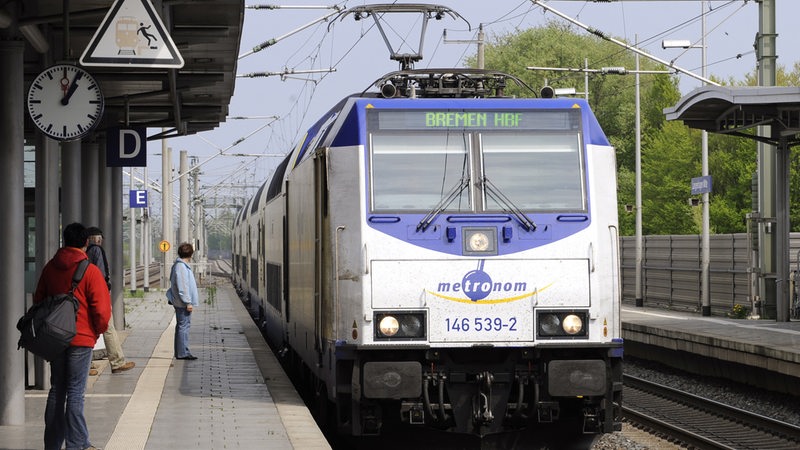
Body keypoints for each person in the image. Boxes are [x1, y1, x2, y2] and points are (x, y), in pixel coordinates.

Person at [33, 222, 111, 450]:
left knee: (57, 389)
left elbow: (39, 301)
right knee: (76, 393)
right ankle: (77, 444)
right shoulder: (90, 270)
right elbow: (102, 310)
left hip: (55, 340)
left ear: (64, 240)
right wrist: (96, 331)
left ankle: (53, 444)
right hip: (82, 338)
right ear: (85, 243)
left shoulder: (50, 268)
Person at [85, 227, 135, 375]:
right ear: (97, 239)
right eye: (100, 238)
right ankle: (117, 362)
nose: (101, 241)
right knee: (108, 327)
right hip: (98, 296)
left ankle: (87, 364)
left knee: (88, 329)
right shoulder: (96, 251)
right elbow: (99, 274)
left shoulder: (85, 252)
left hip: (86, 294)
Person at [166, 242, 199, 360]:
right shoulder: (181, 267)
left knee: (181, 326)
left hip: (180, 302)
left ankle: (181, 351)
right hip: (182, 303)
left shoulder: (179, 265)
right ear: (190, 254)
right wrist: (188, 302)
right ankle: (182, 353)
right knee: (183, 326)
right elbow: (183, 287)